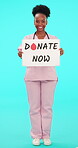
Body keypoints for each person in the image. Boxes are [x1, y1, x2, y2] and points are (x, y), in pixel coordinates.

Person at [17, 4, 64, 146]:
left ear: (47, 22)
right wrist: (20, 54)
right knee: (34, 108)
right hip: (32, 77)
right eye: (37, 21)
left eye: (43, 21)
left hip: (49, 77)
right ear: (34, 21)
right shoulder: (27, 39)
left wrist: (60, 51)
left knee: (47, 108)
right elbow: (21, 52)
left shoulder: (53, 39)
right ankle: (36, 134)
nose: (40, 24)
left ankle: (46, 135)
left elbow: (56, 53)